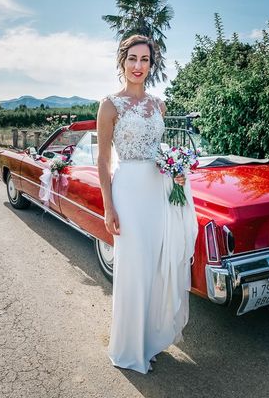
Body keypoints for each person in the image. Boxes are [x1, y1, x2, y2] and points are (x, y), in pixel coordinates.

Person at [97, 34, 197, 374]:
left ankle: (150, 341)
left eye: (145, 60)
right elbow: (102, 160)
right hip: (128, 192)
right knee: (133, 269)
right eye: (133, 59)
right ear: (122, 61)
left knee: (155, 267)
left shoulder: (159, 105)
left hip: (159, 193)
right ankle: (128, 348)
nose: (138, 66)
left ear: (151, 66)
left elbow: (160, 151)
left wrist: (177, 172)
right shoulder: (110, 105)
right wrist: (108, 206)